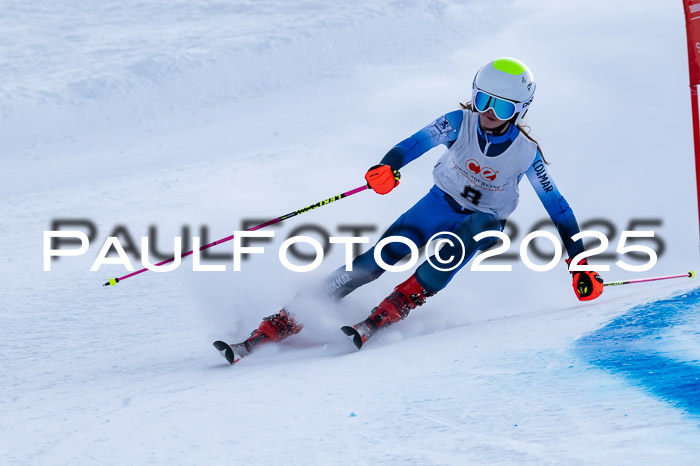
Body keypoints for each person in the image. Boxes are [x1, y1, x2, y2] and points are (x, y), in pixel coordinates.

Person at [214, 57, 604, 364]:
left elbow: (559, 209)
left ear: (519, 110)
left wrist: (579, 262)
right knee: (375, 261)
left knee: (474, 231)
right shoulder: (457, 122)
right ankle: (287, 318)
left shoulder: (526, 153)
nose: (488, 112)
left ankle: (398, 303)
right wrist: (388, 165)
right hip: (437, 205)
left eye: (501, 107)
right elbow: (413, 144)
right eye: (483, 99)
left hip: (485, 219)